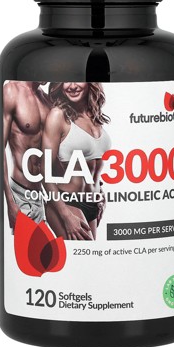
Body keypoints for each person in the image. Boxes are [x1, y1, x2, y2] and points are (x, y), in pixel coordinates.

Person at [42, 82, 111, 240]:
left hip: (93, 203)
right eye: (67, 81)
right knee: (86, 252)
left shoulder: (94, 114)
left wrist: (100, 192)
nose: (72, 86)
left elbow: (93, 164)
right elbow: (45, 172)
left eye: (78, 80)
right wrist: (66, 215)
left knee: (90, 254)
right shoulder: (58, 115)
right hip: (67, 202)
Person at [3, 81, 51, 231]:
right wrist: (10, 202)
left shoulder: (46, 99)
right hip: (20, 195)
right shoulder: (12, 91)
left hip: (42, 195)